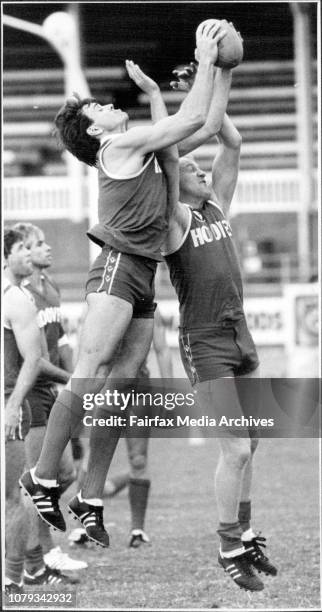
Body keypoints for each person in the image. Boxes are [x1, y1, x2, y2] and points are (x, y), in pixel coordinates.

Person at [20, 24, 228, 547]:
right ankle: (41, 477)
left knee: (123, 383)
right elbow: (194, 118)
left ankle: (89, 497)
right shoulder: (118, 144)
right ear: (94, 131)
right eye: (97, 107)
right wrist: (204, 59)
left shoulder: (138, 148)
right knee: (89, 374)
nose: (108, 106)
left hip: (140, 273)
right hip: (116, 266)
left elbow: (191, 133)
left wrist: (174, 89)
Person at [161, 58, 278, 591]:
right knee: (233, 448)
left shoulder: (217, 208)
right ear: (174, 182)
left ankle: (246, 531)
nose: (202, 171)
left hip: (239, 334)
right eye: (192, 170)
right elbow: (166, 158)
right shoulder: (176, 221)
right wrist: (196, 90)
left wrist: (214, 86)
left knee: (251, 442)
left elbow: (231, 143)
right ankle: (229, 546)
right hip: (205, 341)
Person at [3, 229, 78, 595]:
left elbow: (44, 349)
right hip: (27, 395)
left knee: (49, 479)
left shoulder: (29, 293)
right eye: (25, 248)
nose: (34, 253)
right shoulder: (18, 295)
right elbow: (36, 357)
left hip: (34, 395)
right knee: (27, 488)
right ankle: (35, 563)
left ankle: (28, 565)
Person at [72, 308, 174, 549]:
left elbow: (162, 349)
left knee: (138, 459)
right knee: (92, 460)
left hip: (138, 391)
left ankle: (137, 531)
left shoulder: (150, 308)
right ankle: (83, 528)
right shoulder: (98, 306)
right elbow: (84, 354)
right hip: (104, 391)